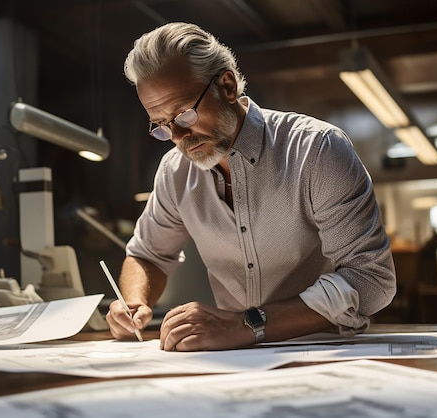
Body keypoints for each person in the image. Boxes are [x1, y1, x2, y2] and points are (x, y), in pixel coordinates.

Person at [106, 22, 396, 351]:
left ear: (227, 86)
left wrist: (248, 324)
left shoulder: (316, 150)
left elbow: (371, 279)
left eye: (184, 115)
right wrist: (133, 302)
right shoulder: (175, 172)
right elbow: (147, 256)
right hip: (236, 358)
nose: (177, 137)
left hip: (324, 351)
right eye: (161, 125)